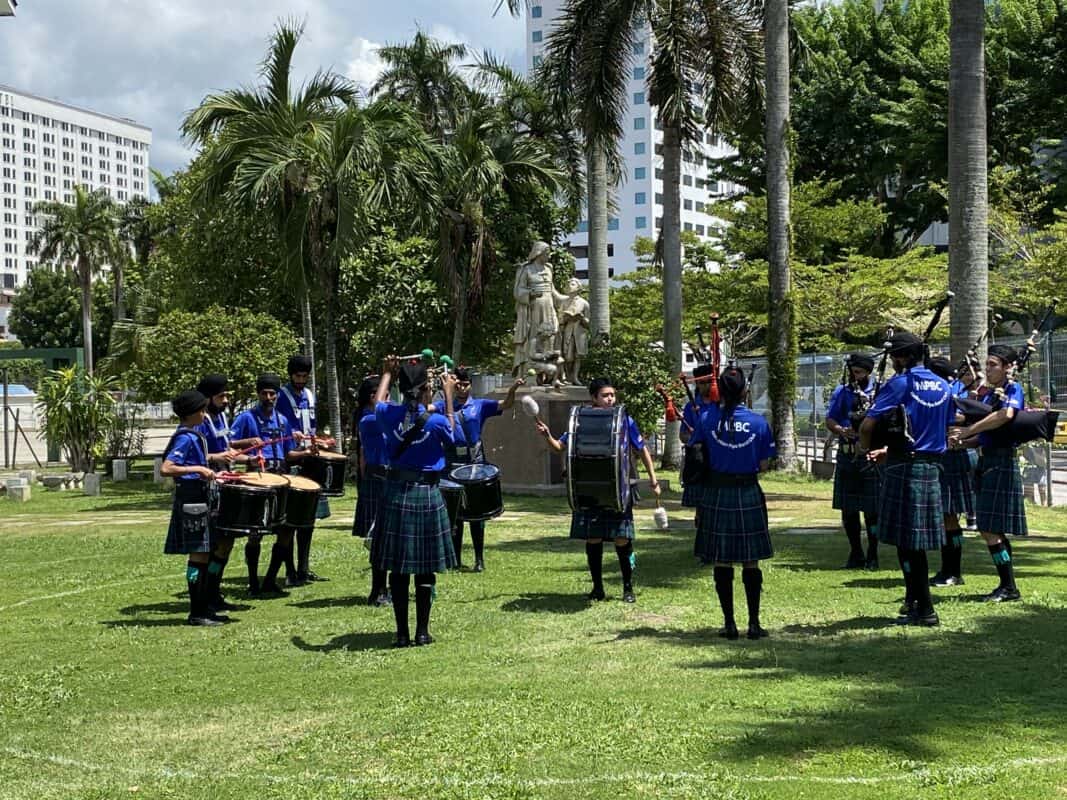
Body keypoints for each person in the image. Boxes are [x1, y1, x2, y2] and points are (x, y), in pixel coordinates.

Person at [536, 378, 662, 603]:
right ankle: (597, 589)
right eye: (605, 395)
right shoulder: (580, 422)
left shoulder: (625, 421)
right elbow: (560, 448)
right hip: (589, 490)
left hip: (617, 489)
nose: (610, 399)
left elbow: (642, 450)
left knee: (622, 539)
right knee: (593, 538)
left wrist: (653, 480)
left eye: (612, 394)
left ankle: (627, 587)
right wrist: (547, 435)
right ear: (593, 398)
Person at [858, 332, 953, 626]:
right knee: (907, 542)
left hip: (905, 467)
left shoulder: (899, 383)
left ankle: (925, 610)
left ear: (901, 357)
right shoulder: (943, 384)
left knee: (910, 543)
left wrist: (866, 449)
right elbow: (944, 426)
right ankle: (913, 601)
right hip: (932, 465)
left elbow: (868, 424)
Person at [372, 357, 459, 647]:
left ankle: (401, 633)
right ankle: (422, 632)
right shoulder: (435, 422)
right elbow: (453, 435)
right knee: (425, 567)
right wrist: (447, 395)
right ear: (426, 390)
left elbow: (377, 402)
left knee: (397, 568)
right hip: (427, 494)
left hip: (396, 493)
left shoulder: (387, 415)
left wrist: (386, 373)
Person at [690, 366, 776, 640]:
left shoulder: (705, 419)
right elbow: (763, 464)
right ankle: (754, 624)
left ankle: (729, 624)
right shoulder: (759, 423)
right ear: (745, 392)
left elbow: (695, 453)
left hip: (716, 492)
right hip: (747, 490)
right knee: (751, 560)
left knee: (722, 559)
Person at [950, 344, 1027, 602]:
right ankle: (1008, 585)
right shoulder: (988, 395)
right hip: (985, 461)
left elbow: (1004, 416)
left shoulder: (1013, 390)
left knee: (990, 528)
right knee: (989, 528)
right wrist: (964, 441)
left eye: (993, 364)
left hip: (1001, 462)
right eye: (988, 364)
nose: (988, 369)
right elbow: (985, 433)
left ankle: (1008, 586)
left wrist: (969, 431)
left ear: (1008, 367)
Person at [160, 390, 239, 626]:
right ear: (192, 413)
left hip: (202, 496)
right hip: (191, 500)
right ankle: (196, 612)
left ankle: (205, 607)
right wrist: (197, 470)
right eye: (202, 411)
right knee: (198, 554)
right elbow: (167, 468)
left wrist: (214, 472)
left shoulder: (195, 435)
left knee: (206, 553)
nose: (205, 415)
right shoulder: (185, 437)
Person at [444, 367, 523, 572]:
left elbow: (506, 404)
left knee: (477, 512)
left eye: (465, 384)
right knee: (456, 513)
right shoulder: (444, 405)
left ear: (471, 385)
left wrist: (513, 389)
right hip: (452, 460)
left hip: (474, 461)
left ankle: (479, 560)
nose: (462, 388)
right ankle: (455, 559)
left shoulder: (479, 405)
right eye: (458, 384)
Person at [193, 373, 256, 614]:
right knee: (209, 547)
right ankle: (203, 596)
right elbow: (197, 456)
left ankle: (214, 592)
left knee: (226, 542)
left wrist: (248, 457)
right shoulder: (199, 420)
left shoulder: (220, 419)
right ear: (208, 398)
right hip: (206, 488)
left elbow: (227, 450)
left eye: (227, 395)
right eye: (222, 396)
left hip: (225, 484)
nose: (227, 399)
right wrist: (215, 458)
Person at [230, 374, 296, 596]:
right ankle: (252, 583)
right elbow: (228, 445)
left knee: (286, 530)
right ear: (258, 394)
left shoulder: (282, 420)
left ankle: (269, 579)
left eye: (272, 393)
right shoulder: (246, 418)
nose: (269, 397)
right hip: (257, 479)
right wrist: (248, 443)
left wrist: (308, 450)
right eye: (264, 393)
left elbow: (290, 452)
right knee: (255, 531)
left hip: (280, 478)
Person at [825, 354, 881, 570]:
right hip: (847, 455)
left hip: (870, 455)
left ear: (868, 372)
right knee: (848, 509)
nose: (854, 376)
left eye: (858, 372)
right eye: (852, 372)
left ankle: (873, 553)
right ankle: (855, 552)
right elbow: (831, 419)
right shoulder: (843, 391)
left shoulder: (879, 391)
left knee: (872, 509)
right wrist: (840, 430)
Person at [275, 354, 328, 584]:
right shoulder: (281, 397)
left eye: (305, 376)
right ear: (290, 375)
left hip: (310, 459)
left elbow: (312, 425)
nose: (301, 380)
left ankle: (304, 567)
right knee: (290, 521)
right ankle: (289, 570)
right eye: (298, 376)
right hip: (291, 460)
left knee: (308, 520)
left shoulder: (309, 396)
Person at [926, 357, 975, 587]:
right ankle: (948, 570)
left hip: (955, 456)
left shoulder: (954, 392)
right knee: (946, 516)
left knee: (949, 515)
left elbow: (966, 416)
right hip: (945, 455)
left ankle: (953, 572)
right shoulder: (949, 390)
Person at [352, 375, 391, 606]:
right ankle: (378, 590)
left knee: (388, 537)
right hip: (377, 477)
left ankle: (386, 588)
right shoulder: (368, 419)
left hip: (388, 476)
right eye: (386, 394)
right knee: (379, 538)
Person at [513, 241, 568, 375]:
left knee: (552, 332)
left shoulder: (549, 269)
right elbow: (518, 291)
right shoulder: (526, 269)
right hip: (534, 307)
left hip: (549, 305)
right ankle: (531, 365)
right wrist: (530, 293)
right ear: (539, 253)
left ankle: (550, 369)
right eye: (547, 253)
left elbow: (553, 291)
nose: (548, 256)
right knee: (535, 334)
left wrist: (570, 298)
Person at [680, 363, 715, 516]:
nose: (706, 386)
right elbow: (683, 436)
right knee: (702, 511)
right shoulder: (690, 407)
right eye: (702, 382)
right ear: (696, 383)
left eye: (710, 381)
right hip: (699, 461)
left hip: (719, 460)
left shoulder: (721, 405)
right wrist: (697, 436)